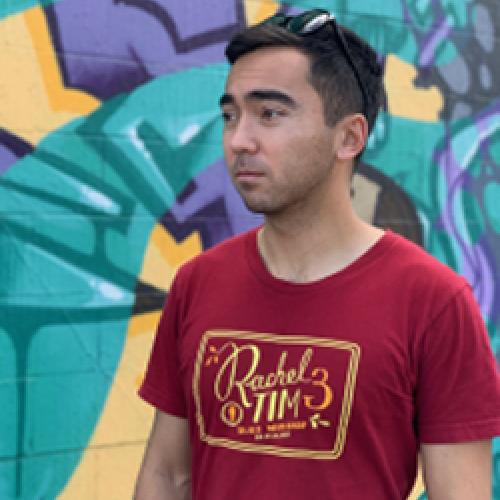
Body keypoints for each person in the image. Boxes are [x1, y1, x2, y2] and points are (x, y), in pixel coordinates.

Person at [133, 9, 500, 500]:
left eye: (270, 114)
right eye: (230, 115)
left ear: (349, 136)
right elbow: (166, 473)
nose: (239, 139)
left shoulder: (432, 300)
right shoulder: (198, 282)